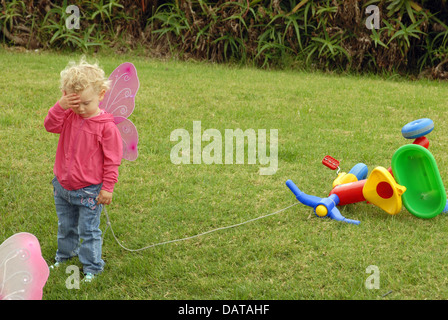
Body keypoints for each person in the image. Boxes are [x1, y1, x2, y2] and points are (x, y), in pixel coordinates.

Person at [44, 58, 123, 282]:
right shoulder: (68, 115)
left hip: (90, 191)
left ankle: (92, 267)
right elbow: (50, 125)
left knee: (88, 230)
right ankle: (65, 256)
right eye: (74, 102)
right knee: (66, 225)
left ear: (101, 95)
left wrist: (107, 187)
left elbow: (112, 160)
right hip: (63, 187)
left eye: (86, 103)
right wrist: (61, 106)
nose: (80, 108)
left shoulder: (106, 127)